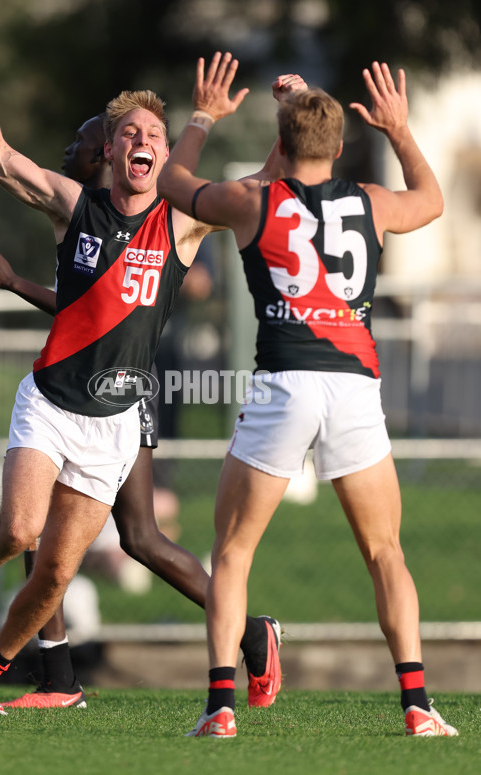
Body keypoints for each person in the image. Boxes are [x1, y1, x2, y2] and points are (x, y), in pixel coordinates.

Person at [0, 38, 282, 715]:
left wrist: (286, 118)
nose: (143, 140)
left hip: (116, 424)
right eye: (130, 133)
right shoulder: (77, 207)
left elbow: (259, 193)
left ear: (164, 153)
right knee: (17, 531)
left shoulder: (180, 224)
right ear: (113, 152)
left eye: (155, 132)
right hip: (51, 399)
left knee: (59, 569)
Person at [158, 55, 458, 738]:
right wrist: (402, 131)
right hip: (354, 388)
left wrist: (204, 112)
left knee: (232, 552)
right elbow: (433, 200)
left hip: (284, 383)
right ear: (343, 144)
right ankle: (416, 703)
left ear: (283, 145)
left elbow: (176, 183)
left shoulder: (254, 200)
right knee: (386, 552)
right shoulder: (372, 203)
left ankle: (220, 707)